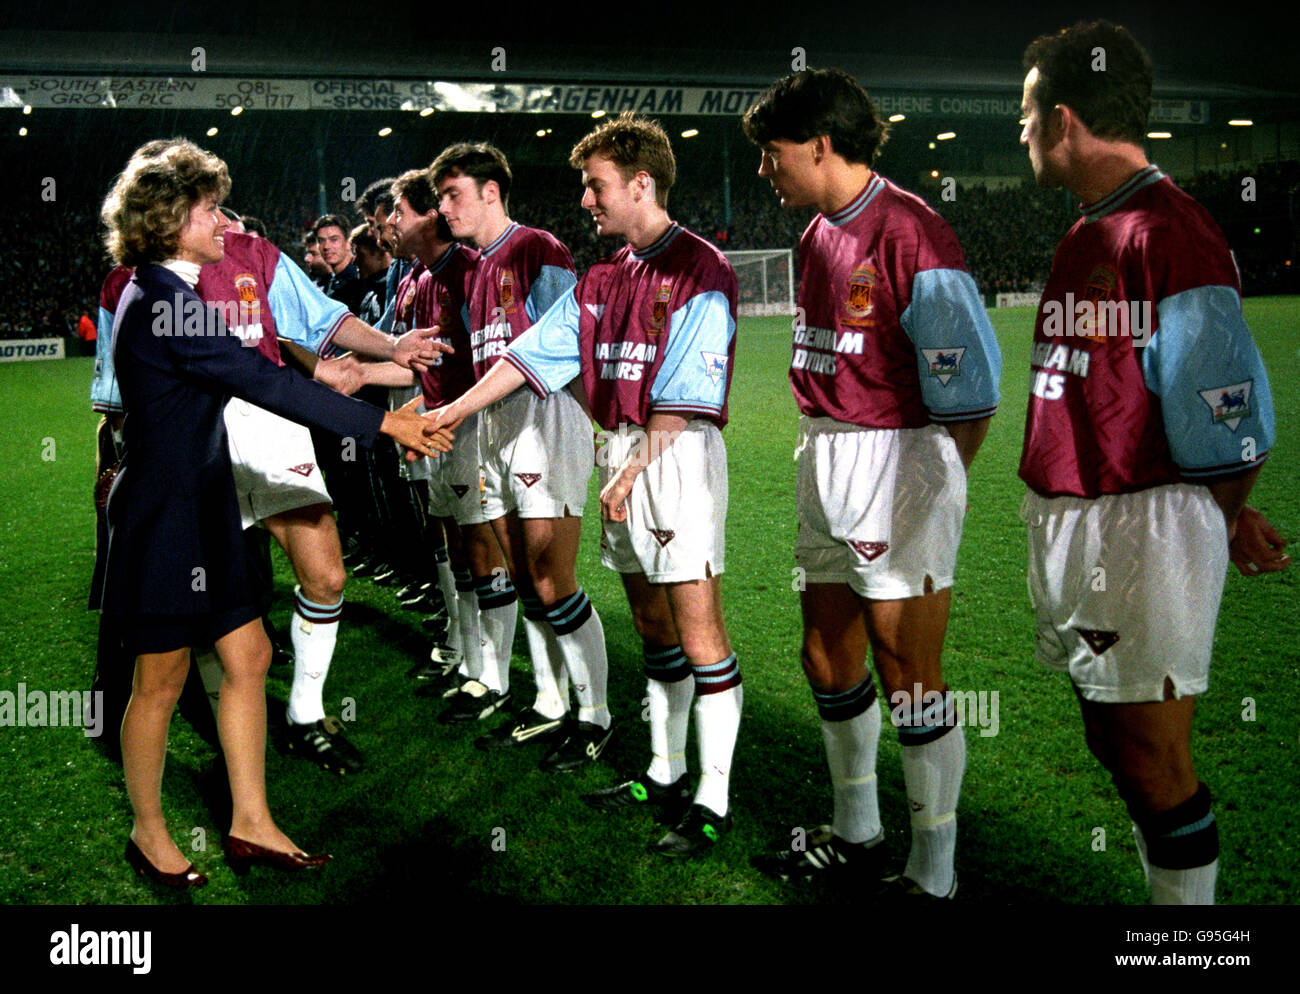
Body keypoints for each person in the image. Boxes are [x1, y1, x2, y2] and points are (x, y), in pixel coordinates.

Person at [98, 139, 447, 887]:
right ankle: (148, 830)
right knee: (157, 682)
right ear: (170, 219)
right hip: (167, 519)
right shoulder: (163, 302)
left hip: (206, 501)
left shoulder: (171, 289)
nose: (224, 222)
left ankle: (250, 822)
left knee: (251, 656)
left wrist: (371, 368)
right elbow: (262, 380)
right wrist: (386, 424)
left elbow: (271, 369)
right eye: (209, 209)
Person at [1017, 21, 1285, 904]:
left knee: (1152, 757)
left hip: (1140, 526)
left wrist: (1211, 516)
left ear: (1063, 121)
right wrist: (1229, 511)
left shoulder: (1168, 231)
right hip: (1089, 518)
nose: (1019, 133)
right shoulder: (1087, 232)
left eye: (1026, 114)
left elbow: (1231, 420)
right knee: (1117, 745)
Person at [428, 115, 743, 854]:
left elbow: (687, 395)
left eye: (596, 185)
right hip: (622, 453)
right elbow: (526, 358)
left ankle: (713, 800)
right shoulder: (606, 276)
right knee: (653, 625)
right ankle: (662, 773)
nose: (586, 200)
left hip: (678, 455)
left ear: (641, 182)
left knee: (699, 633)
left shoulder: (701, 267)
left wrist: (634, 469)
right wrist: (451, 408)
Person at [741, 69, 1002, 898]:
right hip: (825, 453)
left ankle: (934, 873)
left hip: (899, 459)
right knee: (824, 653)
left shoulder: (914, 234)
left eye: (772, 154)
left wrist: (932, 489)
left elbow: (973, 394)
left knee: (906, 669)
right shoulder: (817, 234)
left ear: (821, 145)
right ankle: (855, 832)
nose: (763, 170)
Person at [429, 142, 611, 770]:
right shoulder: (477, 267)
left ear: (490, 191)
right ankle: (551, 700)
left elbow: (571, 345)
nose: (444, 208)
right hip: (491, 423)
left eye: (453, 195)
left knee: (550, 573)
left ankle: (597, 716)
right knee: (523, 573)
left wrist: (602, 426)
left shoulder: (537, 248)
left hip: (543, 416)